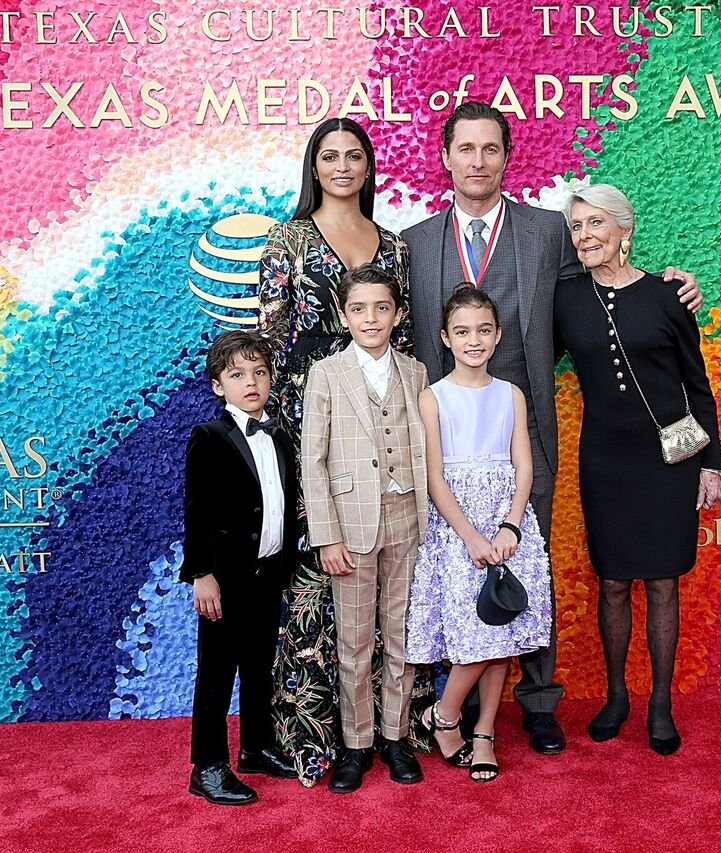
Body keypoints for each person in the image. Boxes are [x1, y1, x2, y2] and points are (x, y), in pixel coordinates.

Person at [401, 101, 703, 754]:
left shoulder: (547, 233)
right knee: (450, 567)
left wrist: (672, 287)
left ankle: (538, 702)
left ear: (506, 157)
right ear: (446, 157)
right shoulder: (416, 243)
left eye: (490, 148)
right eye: (466, 148)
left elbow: (603, 290)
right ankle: (441, 705)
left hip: (525, 431)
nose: (478, 161)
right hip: (445, 437)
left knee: (527, 563)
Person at [258, 118, 430, 786]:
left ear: (368, 165)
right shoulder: (288, 240)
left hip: (382, 443)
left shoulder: (393, 246)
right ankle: (321, 735)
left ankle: (395, 732)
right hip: (312, 433)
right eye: (329, 155)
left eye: (354, 155)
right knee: (318, 592)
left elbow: (407, 338)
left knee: (396, 609)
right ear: (313, 164)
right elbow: (271, 343)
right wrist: (282, 442)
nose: (342, 165)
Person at [555, 183, 721, 756]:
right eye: (576, 227)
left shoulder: (669, 296)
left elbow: (697, 386)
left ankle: (659, 704)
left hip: (669, 462)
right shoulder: (566, 298)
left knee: (662, 583)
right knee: (611, 583)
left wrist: (712, 465)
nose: (585, 236)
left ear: (625, 230)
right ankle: (616, 696)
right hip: (605, 461)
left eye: (596, 223)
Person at [407, 284, 553, 783]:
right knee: (477, 637)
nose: (474, 340)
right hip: (457, 530)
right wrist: (470, 536)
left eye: (484, 330)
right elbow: (433, 477)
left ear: (497, 337)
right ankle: (444, 716)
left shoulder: (510, 394)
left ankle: (485, 732)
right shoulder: (432, 398)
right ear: (445, 338)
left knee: (504, 630)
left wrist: (511, 524)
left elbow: (523, 465)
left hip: (509, 527)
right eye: (463, 331)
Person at [301, 264, 430, 793]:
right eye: (359, 309)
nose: (371, 318)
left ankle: (395, 738)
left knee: (400, 636)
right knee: (354, 643)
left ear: (398, 313)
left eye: (381, 307)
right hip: (350, 529)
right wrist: (326, 534)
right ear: (342, 315)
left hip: (406, 520)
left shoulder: (416, 372)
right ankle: (355, 745)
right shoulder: (326, 375)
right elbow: (313, 461)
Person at [181, 330, 300, 805]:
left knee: (258, 667)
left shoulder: (281, 435)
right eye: (237, 375)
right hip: (224, 578)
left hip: (268, 571)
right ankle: (207, 766)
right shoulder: (209, 438)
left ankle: (256, 746)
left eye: (259, 373)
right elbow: (196, 510)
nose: (250, 382)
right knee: (216, 671)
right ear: (218, 386)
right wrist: (201, 574)